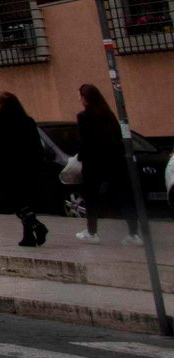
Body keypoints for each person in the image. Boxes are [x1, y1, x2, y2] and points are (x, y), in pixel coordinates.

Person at [0, 92, 57, 248]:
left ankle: (36, 226)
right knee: (25, 200)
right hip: (28, 168)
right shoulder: (27, 121)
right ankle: (28, 235)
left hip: (8, 168)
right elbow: (37, 146)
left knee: (13, 201)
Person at [74, 83, 141, 244]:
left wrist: (80, 158)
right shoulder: (108, 114)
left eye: (80, 96)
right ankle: (133, 233)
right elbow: (118, 136)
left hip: (94, 163)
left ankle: (92, 232)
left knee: (91, 197)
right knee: (123, 195)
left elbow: (85, 141)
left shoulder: (84, 117)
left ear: (85, 98)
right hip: (114, 160)